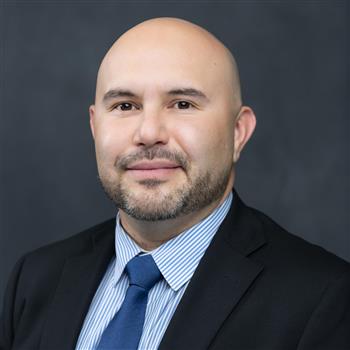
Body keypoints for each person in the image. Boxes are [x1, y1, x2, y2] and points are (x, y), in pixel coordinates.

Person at [1, 17, 349, 350]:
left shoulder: (323, 300)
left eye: (182, 103)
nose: (149, 133)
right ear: (95, 127)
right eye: (125, 106)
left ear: (238, 132)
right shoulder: (35, 280)